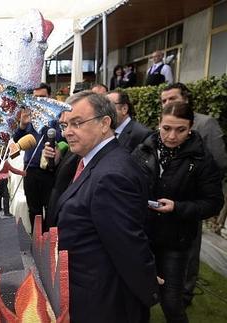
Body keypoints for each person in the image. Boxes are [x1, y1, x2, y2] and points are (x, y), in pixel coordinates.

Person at [55, 91, 159, 322]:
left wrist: (148, 287)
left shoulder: (112, 174)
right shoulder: (90, 159)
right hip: (88, 290)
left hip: (103, 301)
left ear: (104, 124)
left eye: (77, 123)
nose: (68, 132)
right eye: (65, 125)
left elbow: (128, 246)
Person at [131, 102, 223, 322]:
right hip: (141, 236)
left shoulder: (201, 158)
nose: (172, 136)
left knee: (171, 302)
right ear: (158, 124)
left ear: (191, 127)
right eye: (166, 128)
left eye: (180, 130)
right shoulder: (143, 149)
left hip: (175, 241)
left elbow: (213, 202)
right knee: (136, 297)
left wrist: (178, 207)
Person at [159, 82, 227, 306]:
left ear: (186, 99)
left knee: (189, 254)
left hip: (191, 203)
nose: (168, 103)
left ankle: (185, 294)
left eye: (173, 99)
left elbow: (219, 161)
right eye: (164, 101)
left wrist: (194, 178)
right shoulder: (159, 133)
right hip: (162, 212)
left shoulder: (206, 123)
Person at [13, 82, 62, 230]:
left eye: (42, 97)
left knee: (51, 208)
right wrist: (22, 125)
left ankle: (49, 241)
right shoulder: (29, 117)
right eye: (36, 98)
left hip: (50, 170)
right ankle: (36, 241)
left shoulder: (57, 117)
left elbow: (62, 139)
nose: (39, 101)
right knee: (33, 209)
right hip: (31, 170)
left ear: (49, 97)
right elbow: (16, 140)